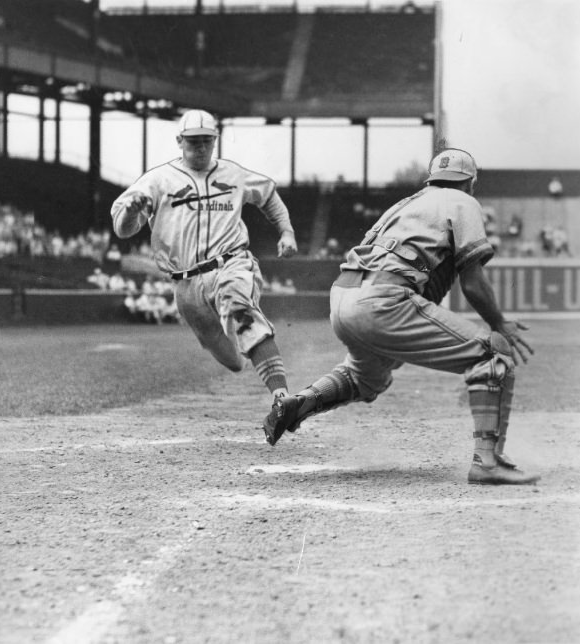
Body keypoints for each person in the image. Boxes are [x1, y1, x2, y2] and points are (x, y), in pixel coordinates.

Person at [264, 148, 539, 486]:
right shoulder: (463, 201)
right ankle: (486, 460)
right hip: (384, 299)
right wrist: (499, 323)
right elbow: (473, 280)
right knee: (494, 355)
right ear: (470, 182)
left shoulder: (407, 203)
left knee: (365, 378)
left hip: (343, 297)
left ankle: (301, 402)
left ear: (431, 179)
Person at [110, 109, 298, 418]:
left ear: (216, 141)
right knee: (230, 358)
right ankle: (245, 354)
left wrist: (286, 231)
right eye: (193, 141)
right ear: (179, 141)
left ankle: (282, 398)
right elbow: (123, 229)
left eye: (206, 141)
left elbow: (268, 195)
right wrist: (131, 213)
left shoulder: (233, 174)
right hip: (185, 285)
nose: (200, 148)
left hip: (230, 264)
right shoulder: (157, 180)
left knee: (243, 314)